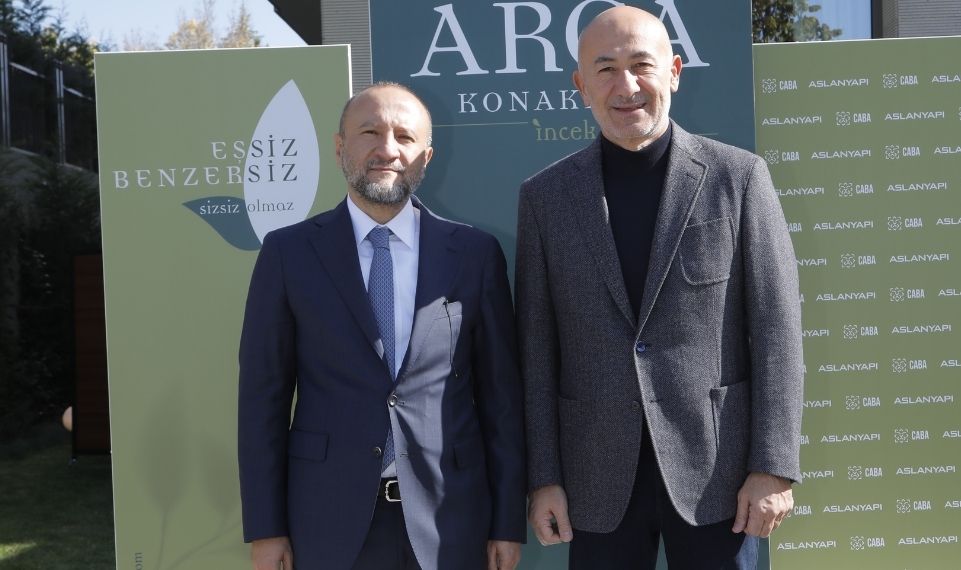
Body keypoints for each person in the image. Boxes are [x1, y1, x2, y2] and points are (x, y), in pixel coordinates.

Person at [515, 6, 803, 569]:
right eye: (605, 69)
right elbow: (536, 350)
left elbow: (777, 331)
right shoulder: (545, 198)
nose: (626, 86)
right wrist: (543, 477)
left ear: (673, 72)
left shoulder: (739, 178)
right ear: (581, 86)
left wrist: (772, 466)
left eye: (641, 65)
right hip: (595, 480)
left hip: (720, 477)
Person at [239, 82, 526, 570]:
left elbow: (502, 399)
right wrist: (267, 529)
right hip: (326, 520)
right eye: (369, 132)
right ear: (339, 147)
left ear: (426, 157)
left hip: (451, 521)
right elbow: (261, 399)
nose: (387, 149)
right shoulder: (288, 254)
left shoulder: (474, 254)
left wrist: (506, 522)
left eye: (404, 136)